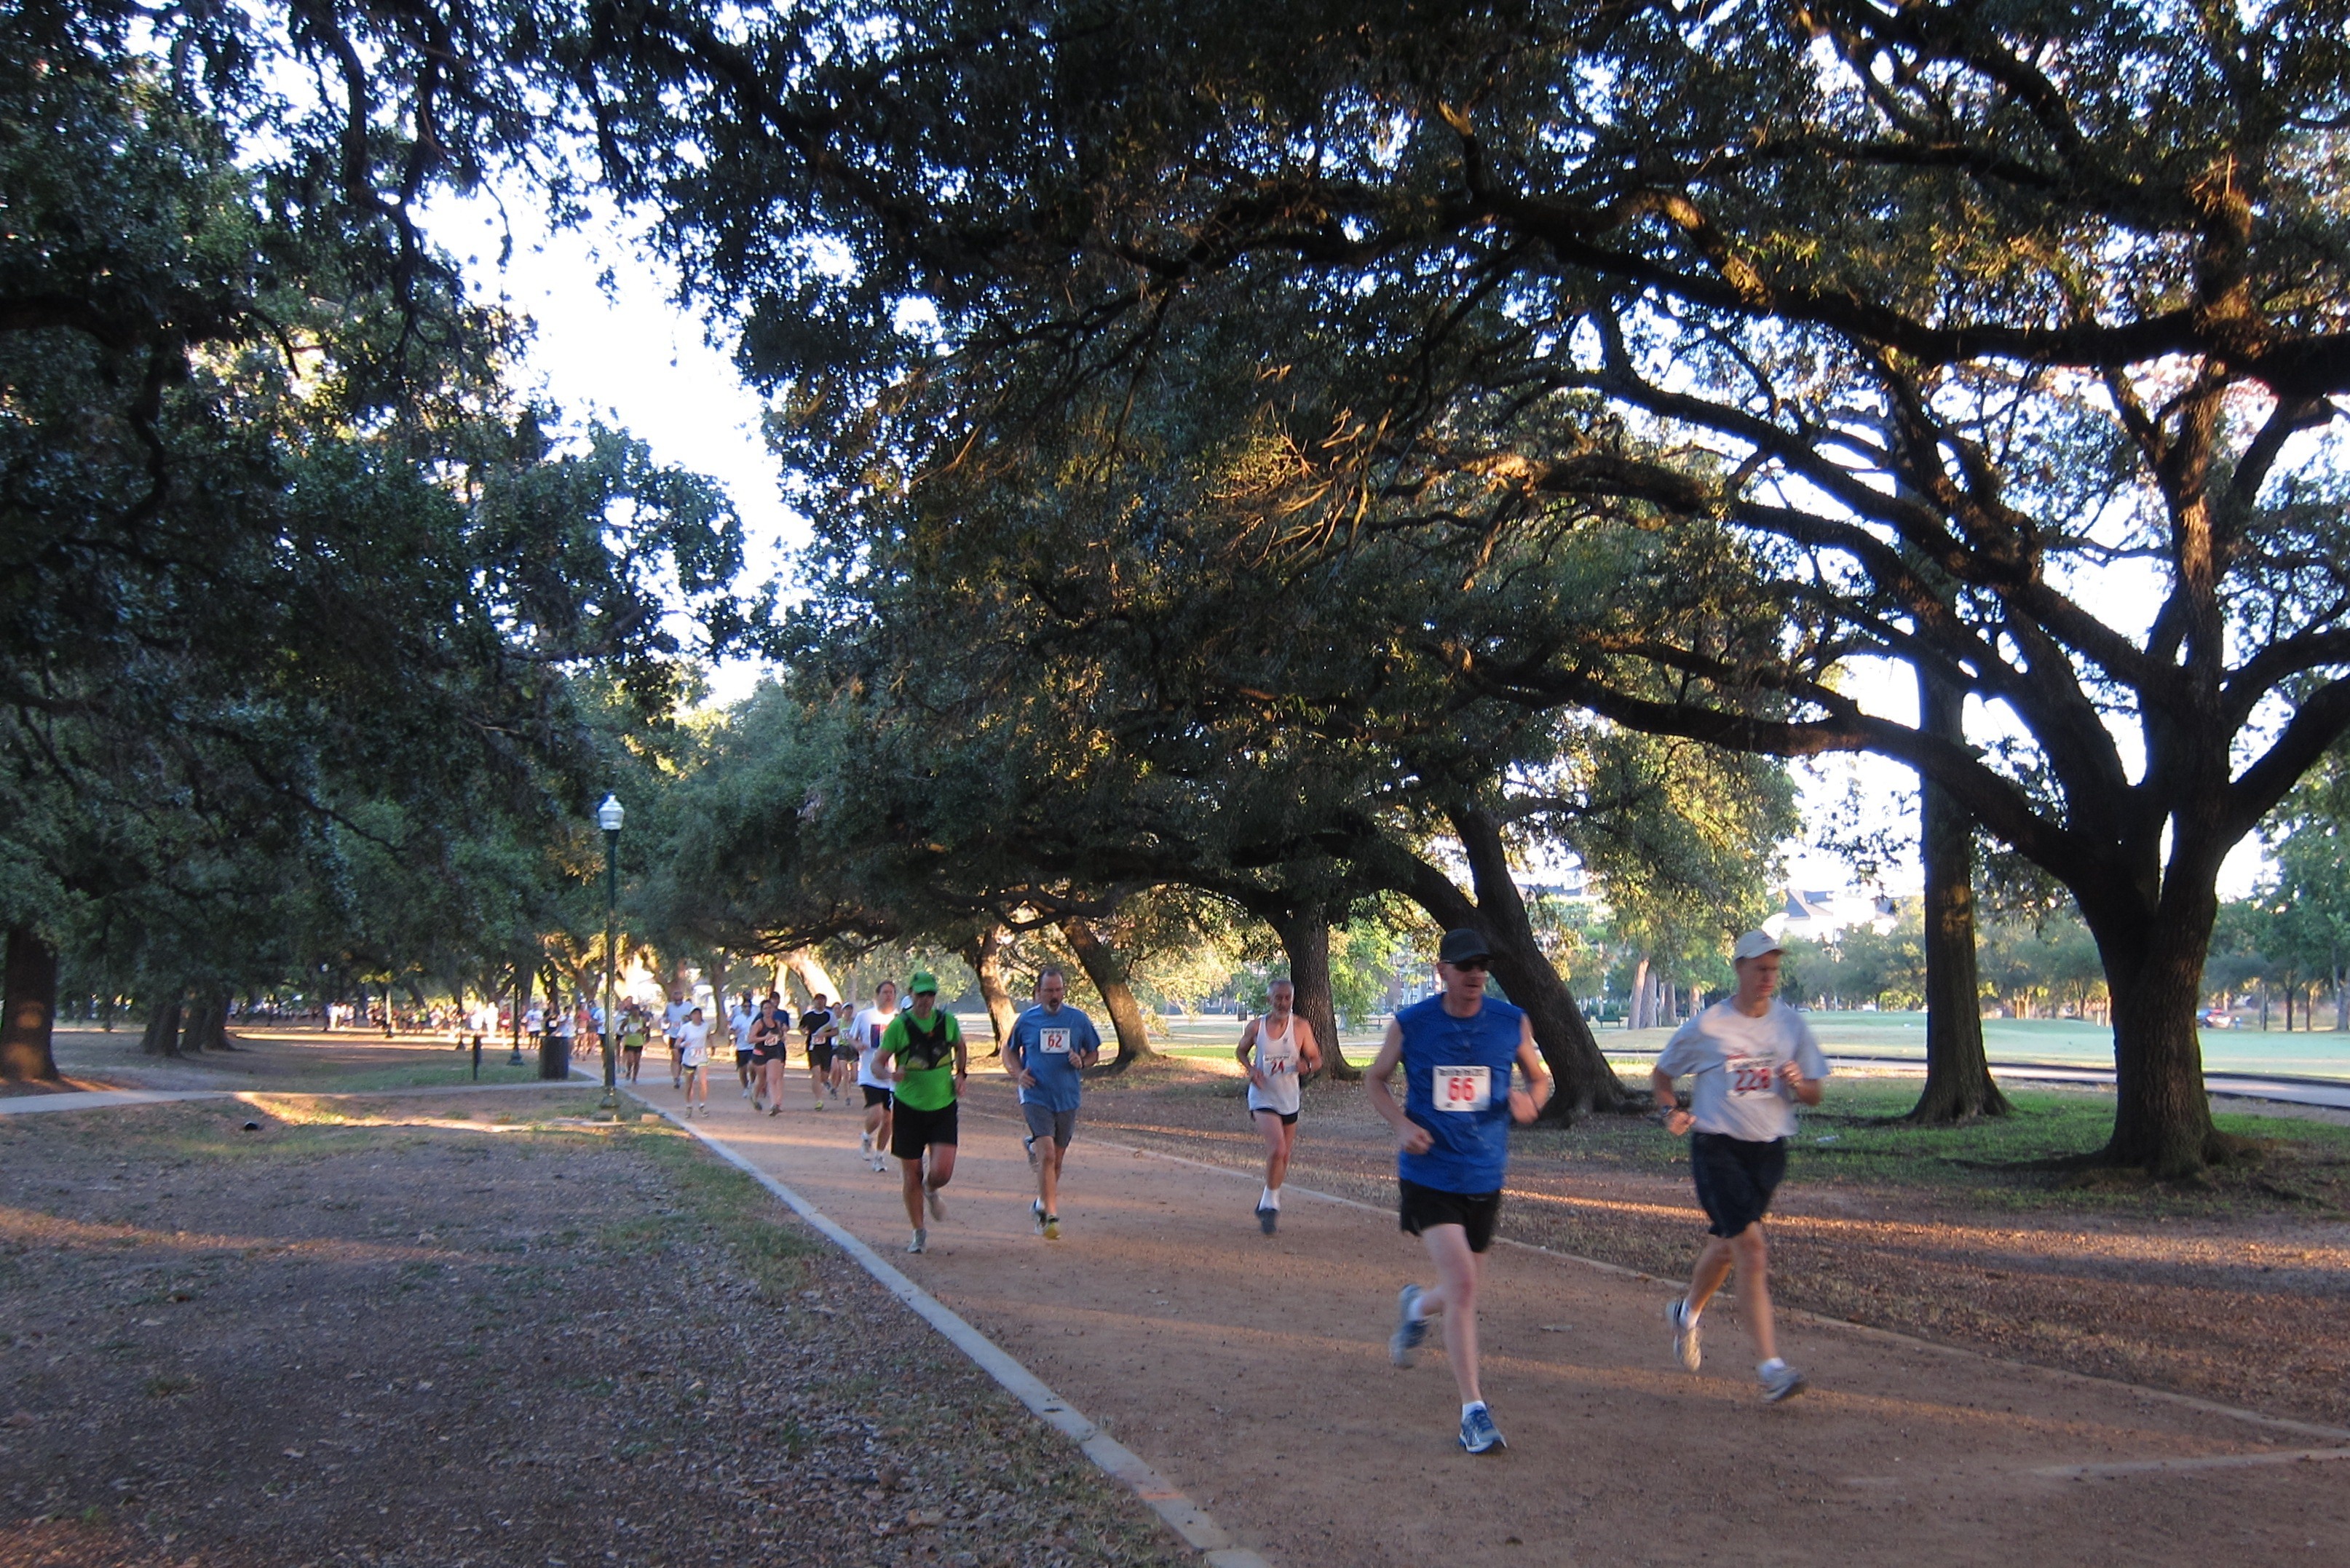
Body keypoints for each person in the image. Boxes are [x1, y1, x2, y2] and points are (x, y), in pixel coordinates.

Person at [1369, 928, 1551, 1454]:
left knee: (1460, 1291)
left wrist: (1531, 1101)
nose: (1475, 974)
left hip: (1485, 1174)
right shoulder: (1414, 1024)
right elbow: (1375, 1080)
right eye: (1465, 965)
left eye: (1482, 965)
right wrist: (1402, 1126)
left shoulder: (1509, 1021)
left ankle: (1414, 1308)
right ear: (1442, 970)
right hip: (1430, 1174)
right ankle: (1474, 1412)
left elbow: (1539, 1079)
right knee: (1467, 1288)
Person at [1652, 929, 1829, 1404]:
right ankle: (1772, 1368)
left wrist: (1797, 1081)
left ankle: (1686, 1314)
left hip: (1768, 1152)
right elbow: (1662, 1073)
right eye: (1760, 969)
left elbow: (1815, 1093)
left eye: (1774, 968)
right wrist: (1671, 1111)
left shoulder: (1790, 1025)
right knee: (1751, 1249)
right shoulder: (1709, 1026)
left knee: (1729, 1246)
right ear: (1740, 969)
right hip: (1717, 1148)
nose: (1769, 977)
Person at [1003, 967, 1101, 1241]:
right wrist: (1018, 1073)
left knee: (1055, 1161)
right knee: (1047, 1155)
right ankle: (1052, 1216)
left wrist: (1082, 1061)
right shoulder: (1028, 1020)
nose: (1055, 995)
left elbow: (1094, 1052)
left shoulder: (1078, 1019)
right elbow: (1009, 1050)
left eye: (1058, 990)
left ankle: (1040, 1204)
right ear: (1039, 992)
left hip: (1067, 1097)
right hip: (1036, 1095)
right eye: (1049, 991)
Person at [877, 971, 965, 1253]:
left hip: (943, 1105)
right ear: (911, 994)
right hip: (908, 1108)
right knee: (911, 1173)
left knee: (942, 1171)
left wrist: (962, 1074)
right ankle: (919, 1232)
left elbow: (960, 1046)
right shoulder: (899, 1027)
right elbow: (877, 1064)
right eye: (921, 994)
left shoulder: (947, 1022)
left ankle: (932, 1188)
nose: (926, 1000)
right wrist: (891, 1075)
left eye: (931, 994)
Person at [1236, 976, 1322, 1234]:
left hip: (1289, 1097)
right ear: (1269, 1000)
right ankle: (1271, 1206)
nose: (1283, 1003)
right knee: (1278, 1148)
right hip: (1262, 1096)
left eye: (1287, 998)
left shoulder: (1301, 1027)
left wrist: (1307, 1066)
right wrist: (1252, 1069)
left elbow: (1316, 1059)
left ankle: (1266, 1201)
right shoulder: (1256, 1027)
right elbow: (1240, 1051)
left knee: (1284, 1155)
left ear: (1292, 1000)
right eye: (1278, 998)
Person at [849, 981, 901, 1171]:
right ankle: (866, 1136)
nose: (888, 996)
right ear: (877, 995)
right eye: (885, 992)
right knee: (877, 1114)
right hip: (870, 1073)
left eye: (892, 992)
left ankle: (879, 1156)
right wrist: (857, 1045)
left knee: (889, 1119)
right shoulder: (865, 1016)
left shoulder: (900, 1019)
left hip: (893, 1076)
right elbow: (851, 1037)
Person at [799, 993, 839, 1111]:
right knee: (816, 1074)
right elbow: (802, 1028)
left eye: (822, 1000)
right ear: (814, 1002)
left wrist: (825, 1034)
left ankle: (826, 1083)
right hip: (813, 1048)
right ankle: (819, 1100)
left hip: (826, 1049)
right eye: (817, 1000)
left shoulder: (830, 1015)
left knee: (824, 1076)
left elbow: (836, 1031)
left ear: (825, 1002)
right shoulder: (808, 1015)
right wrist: (804, 1031)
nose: (819, 1002)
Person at [750, 994, 789, 1114]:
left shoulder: (777, 1023)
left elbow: (780, 1036)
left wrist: (782, 1036)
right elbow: (750, 1039)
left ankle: (774, 1105)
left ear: (773, 1010)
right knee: (761, 1080)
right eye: (765, 1008)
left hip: (774, 1052)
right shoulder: (759, 1023)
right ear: (762, 1011)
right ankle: (754, 1097)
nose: (768, 1011)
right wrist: (764, 1038)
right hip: (760, 1053)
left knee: (772, 1078)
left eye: (770, 1008)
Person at [676, 1004, 713, 1117]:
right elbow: (677, 1043)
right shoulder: (686, 1027)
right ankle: (689, 1106)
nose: (697, 1016)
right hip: (689, 1058)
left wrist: (712, 1046)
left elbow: (708, 1036)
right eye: (695, 1014)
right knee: (689, 1083)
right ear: (691, 1016)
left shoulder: (706, 1026)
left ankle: (702, 1105)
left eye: (699, 1014)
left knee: (703, 1082)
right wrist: (683, 1044)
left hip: (702, 1057)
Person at [729, 991, 759, 1100]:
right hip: (741, 1047)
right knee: (742, 1070)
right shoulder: (738, 1018)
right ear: (742, 1008)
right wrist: (734, 1032)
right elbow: (731, 1030)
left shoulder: (755, 1018)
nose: (747, 1008)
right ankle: (745, 1088)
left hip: (753, 1046)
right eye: (745, 1006)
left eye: (749, 1006)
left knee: (752, 1066)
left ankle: (752, 1083)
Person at [662, 992, 692, 1088]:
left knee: (684, 1059)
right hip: (674, 1035)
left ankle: (684, 1074)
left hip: (686, 1036)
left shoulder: (688, 1006)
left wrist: (689, 1019)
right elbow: (664, 1017)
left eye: (680, 1000)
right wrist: (666, 1022)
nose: (678, 1001)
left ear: (683, 998)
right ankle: (676, 1078)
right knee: (675, 1058)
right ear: (673, 999)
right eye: (676, 1000)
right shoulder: (669, 1006)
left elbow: (695, 1017)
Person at [618, 1005, 648, 1084]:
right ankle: (629, 1071)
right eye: (634, 1010)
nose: (635, 1012)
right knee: (630, 1060)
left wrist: (643, 1030)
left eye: (637, 1010)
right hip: (630, 1042)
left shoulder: (643, 1020)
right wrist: (625, 1033)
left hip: (639, 1042)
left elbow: (646, 1029)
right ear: (631, 1011)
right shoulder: (628, 1020)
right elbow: (621, 1028)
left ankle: (635, 1077)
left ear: (639, 1011)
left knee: (637, 1061)